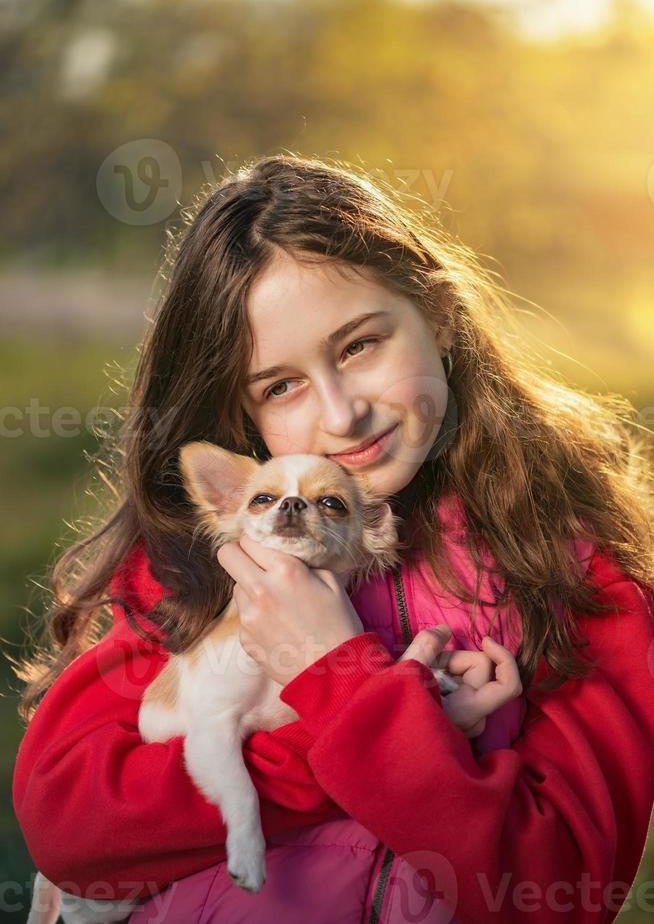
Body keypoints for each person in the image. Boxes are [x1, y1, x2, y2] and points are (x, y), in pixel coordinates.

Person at [12, 154, 654, 924]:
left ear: (438, 314)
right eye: (280, 386)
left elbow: (560, 885)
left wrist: (334, 674)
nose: (342, 414)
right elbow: (70, 826)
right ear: (244, 415)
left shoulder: (571, 564)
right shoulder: (199, 562)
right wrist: (388, 733)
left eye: (359, 346)